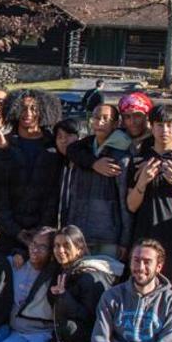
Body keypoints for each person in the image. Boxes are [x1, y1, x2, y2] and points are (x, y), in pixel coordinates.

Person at [124, 103, 172, 342]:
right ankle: (142, 337)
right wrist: (143, 182)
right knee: (142, 288)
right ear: (152, 126)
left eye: (170, 125)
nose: (165, 130)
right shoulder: (140, 160)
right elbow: (131, 205)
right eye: (160, 125)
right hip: (145, 233)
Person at [41, 226, 122, 342]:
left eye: (66, 246)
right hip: (62, 333)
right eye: (57, 246)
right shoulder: (61, 271)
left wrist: (64, 296)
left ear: (79, 249)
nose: (60, 250)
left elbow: (90, 316)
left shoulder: (89, 276)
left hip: (85, 338)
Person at [59, 104, 128, 257]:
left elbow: (125, 202)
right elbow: (71, 149)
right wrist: (94, 163)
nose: (100, 122)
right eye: (96, 118)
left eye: (106, 119)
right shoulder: (85, 149)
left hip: (108, 236)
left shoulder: (121, 153)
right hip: (79, 232)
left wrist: (125, 240)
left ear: (116, 123)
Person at [0, 89, 60, 249]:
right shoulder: (2, 144)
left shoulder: (54, 146)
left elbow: (54, 193)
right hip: (9, 232)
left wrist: (40, 231)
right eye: (23, 108)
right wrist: (16, 231)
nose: (28, 113)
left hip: (43, 234)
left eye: (33, 108)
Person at [0, 227, 56, 342]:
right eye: (33, 243)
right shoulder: (18, 263)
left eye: (42, 246)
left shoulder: (55, 272)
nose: (35, 249)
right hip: (17, 331)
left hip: (42, 333)